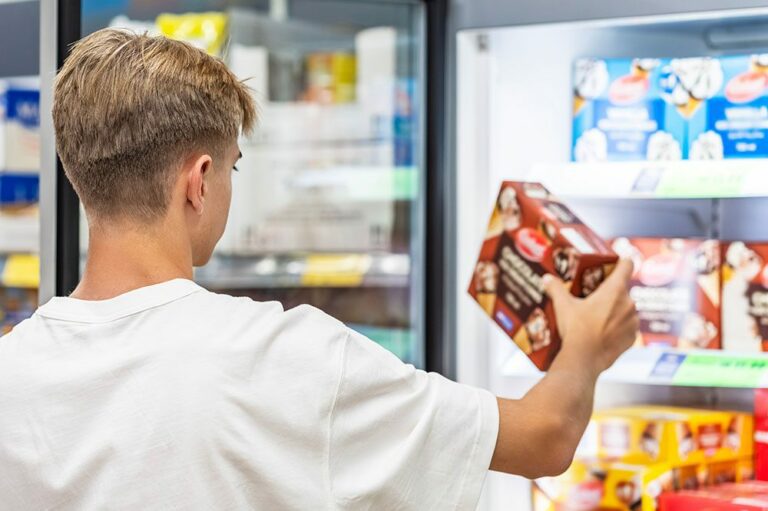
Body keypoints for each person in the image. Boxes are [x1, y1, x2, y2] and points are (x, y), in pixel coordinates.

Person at [0, 29, 638, 510]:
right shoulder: (281, 356)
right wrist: (585, 347)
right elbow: (545, 438)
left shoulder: (12, 367)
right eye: (233, 168)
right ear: (198, 181)